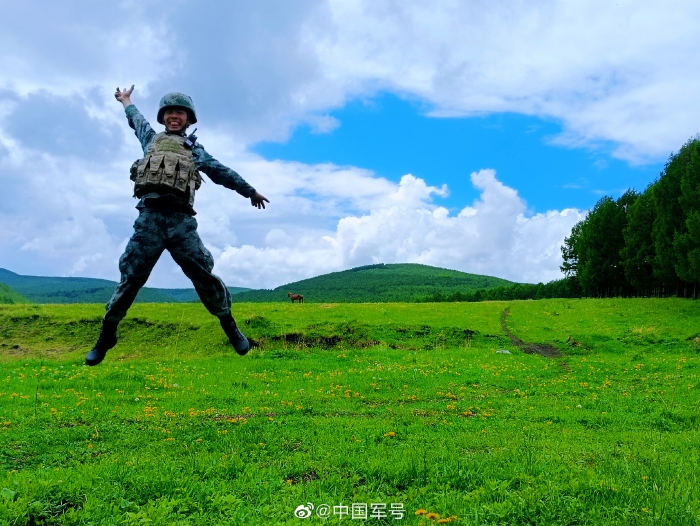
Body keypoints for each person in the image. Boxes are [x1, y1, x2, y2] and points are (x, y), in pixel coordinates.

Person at [85, 86, 269, 366]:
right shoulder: (151, 139)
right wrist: (127, 101)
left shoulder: (195, 151)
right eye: (170, 112)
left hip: (181, 222)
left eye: (180, 113)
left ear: (189, 119)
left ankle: (229, 326)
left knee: (203, 274)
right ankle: (107, 334)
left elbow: (221, 172)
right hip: (149, 219)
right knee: (131, 276)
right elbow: (137, 121)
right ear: (163, 117)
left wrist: (250, 191)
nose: (174, 116)